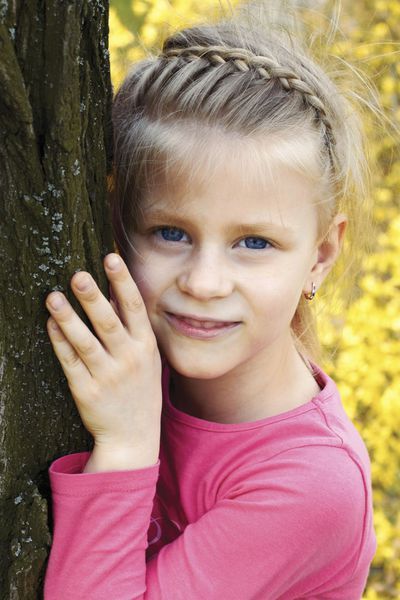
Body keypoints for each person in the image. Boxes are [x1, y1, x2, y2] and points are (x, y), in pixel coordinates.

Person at [43, 2, 378, 598]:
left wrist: (126, 443)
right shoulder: (145, 362)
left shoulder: (311, 485)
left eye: (255, 242)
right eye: (171, 233)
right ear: (118, 226)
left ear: (321, 256)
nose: (204, 282)